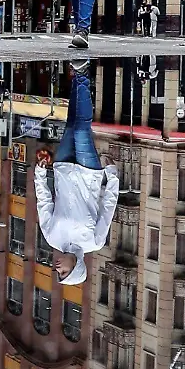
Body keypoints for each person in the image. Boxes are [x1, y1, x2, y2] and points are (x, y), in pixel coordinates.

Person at [33, 62, 121, 285]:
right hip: (88, 173)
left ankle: (76, 77)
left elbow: (43, 202)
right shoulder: (95, 242)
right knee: (82, 130)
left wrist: (41, 173)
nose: (58, 269)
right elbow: (108, 207)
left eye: (58, 274)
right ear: (76, 267)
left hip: (62, 168)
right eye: (64, 273)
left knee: (71, 124)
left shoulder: (52, 237)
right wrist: (111, 174)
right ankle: (82, 74)